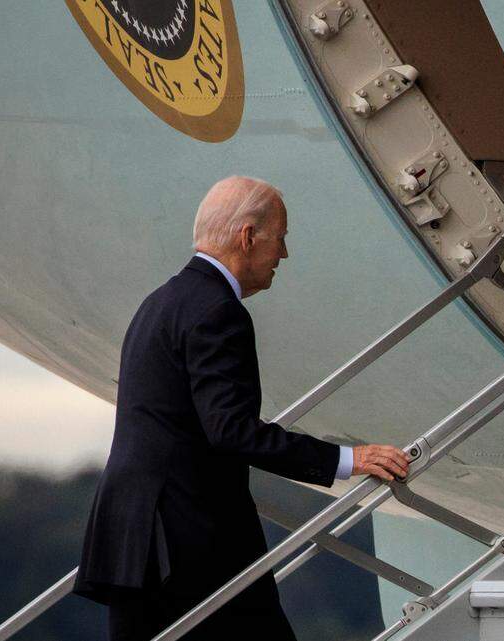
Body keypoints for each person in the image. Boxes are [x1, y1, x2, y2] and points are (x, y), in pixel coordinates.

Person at [73, 176, 411, 640]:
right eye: (281, 238)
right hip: (191, 542)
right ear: (248, 236)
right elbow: (231, 430)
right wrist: (348, 460)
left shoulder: (159, 302)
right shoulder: (217, 310)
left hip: (134, 536)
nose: (284, 255)